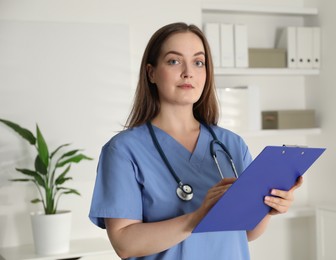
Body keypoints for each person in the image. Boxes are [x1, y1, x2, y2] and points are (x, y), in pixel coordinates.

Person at [89, 22, 303, 260]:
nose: (188, 72)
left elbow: (247, 232)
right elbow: (125, 244)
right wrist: (196, 218)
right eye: (174, 61)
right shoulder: (123, 151)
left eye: (198, 62)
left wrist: (269, 209)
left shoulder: (232, 145)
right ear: (151, 73)